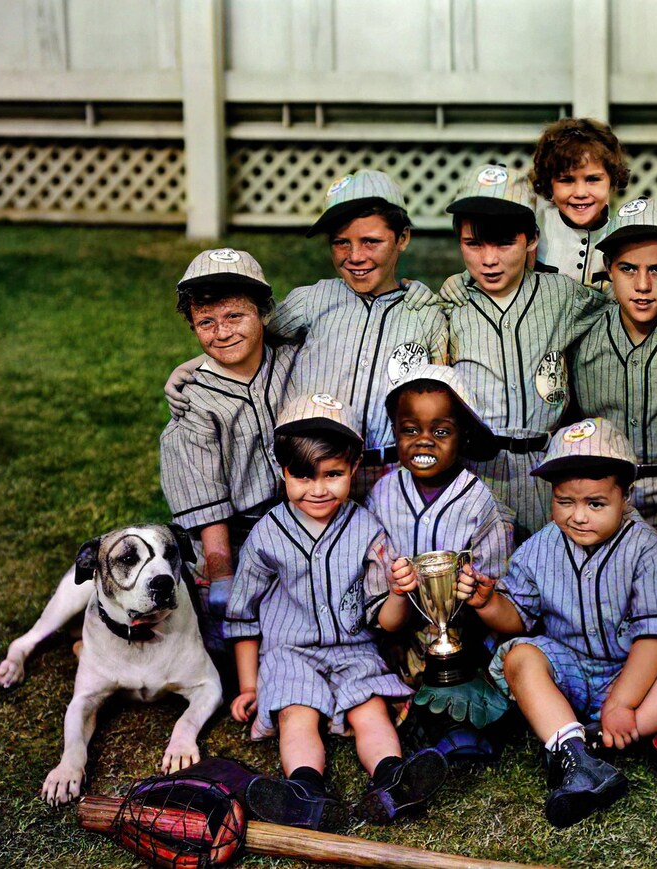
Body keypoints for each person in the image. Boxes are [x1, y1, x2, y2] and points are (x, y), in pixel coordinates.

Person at [456, 418, 657, 826]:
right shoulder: (540, 547)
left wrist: (623, 703)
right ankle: (579, 754)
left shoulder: (648, 551)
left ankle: (588, 742)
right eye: (564, 501)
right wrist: (488, 603)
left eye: (595, 503)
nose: (578, 516)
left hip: (633, 674)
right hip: (569, 670)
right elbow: (517, 619)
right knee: (520, 657)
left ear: (626, 495)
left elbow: (652, 640)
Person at [225, 393, 447, 829]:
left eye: (333, 474)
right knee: (296, 714)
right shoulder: (268, 535)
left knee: (371, 711)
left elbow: (386, 620)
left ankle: (393, 780)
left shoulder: (366, 529)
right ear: (283, 471)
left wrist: (401, 592)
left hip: (354, 649)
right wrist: (250, 685)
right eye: (303, 476)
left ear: (354, 466)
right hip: (290, 652)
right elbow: (243, 612)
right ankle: (306, 793)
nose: (318, 488)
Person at [165, 170, 449, 501]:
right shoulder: (312, 301)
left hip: (392, 474)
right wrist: (194, 365)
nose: (355, 256)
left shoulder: (426, 314)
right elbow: (250, 336)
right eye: (341, 242)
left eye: (371, 241)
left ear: (402, 238)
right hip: (315, 476)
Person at [442, 164, 608, 540]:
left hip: (546, 466)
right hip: (474, 470)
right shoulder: (449, 305)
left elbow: (623, 303)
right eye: (473, 244)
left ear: (532, 239)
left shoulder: (562, 296)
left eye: (504, 243)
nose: (489, 260)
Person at [160, 248, 298, 690]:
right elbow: (207, 505)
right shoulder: (193, 401)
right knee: (231, 646)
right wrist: (222, 575)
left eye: (235, 316)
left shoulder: (294, 359)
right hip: (234, 536)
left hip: (304, 513)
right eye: (206, 322)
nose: (221, 333)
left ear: (263, 313)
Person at [365, 363, 514, 762]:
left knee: (469, 691)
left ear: (462, 436)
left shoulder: (481, 503)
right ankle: (416, 731)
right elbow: (378, 593)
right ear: (395, 432)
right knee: (375, 687)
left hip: (465, 641)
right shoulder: (382, 495)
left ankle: (460, 733)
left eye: (441, 431)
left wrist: (477, 595)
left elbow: (495, 589)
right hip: (400, 636)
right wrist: (393, 634)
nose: (424, 442)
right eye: (410, 430)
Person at [570, 198, 657, 547]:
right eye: (628, 269)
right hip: (606, 498)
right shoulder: (581, 327)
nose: (643, 285)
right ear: (608, 268)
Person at [529, 117, 631, 289]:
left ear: (612, 179)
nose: (581, 193)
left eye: (592, 179)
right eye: (567, 180)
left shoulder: (623, 233)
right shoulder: (535, 227)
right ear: (549, 183)